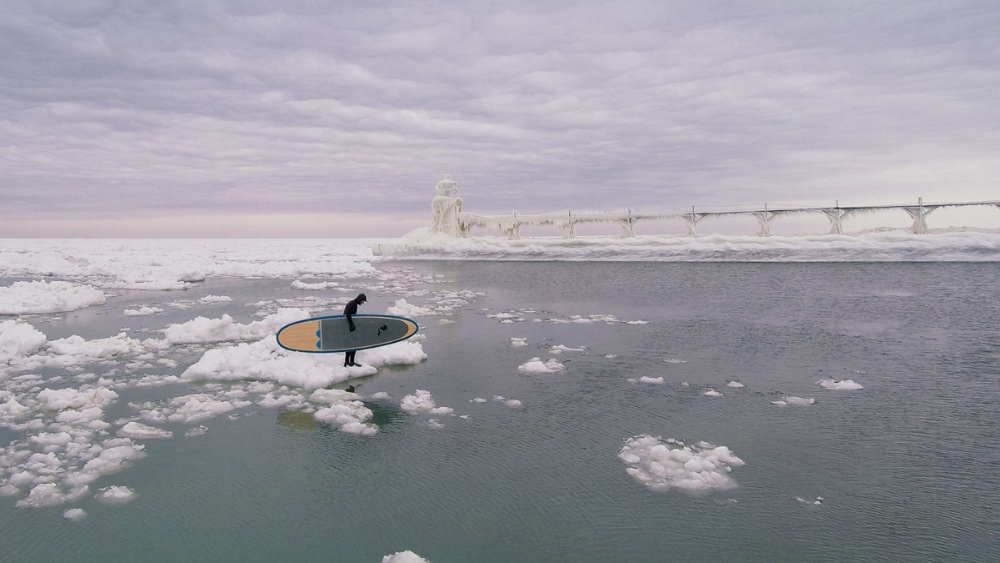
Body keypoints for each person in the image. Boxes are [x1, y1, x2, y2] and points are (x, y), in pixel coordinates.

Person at [343, 293, 366, 367]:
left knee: (349, 344)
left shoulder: (352, 303)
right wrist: (351, 324)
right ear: (360, 299)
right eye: (362, 301)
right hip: (349, 326)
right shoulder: (353, 304)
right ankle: (351, 362)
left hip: (347, 326)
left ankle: (347, 362)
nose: (362, 303)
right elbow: (348, 314)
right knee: (354, 344)